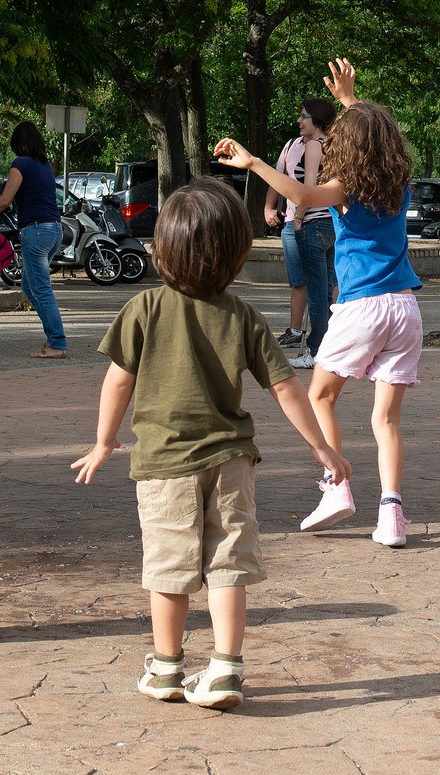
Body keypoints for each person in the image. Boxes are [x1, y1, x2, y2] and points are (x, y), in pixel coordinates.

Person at [70, 179, 347, 711]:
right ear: (237, 254)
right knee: (227, 564)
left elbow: (117, 381)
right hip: (232, 461)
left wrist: (104, 442)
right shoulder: (243, 315)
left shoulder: (144, 307)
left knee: (169, 568)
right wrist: (321, 447)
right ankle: (225, 669)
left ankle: (166, 668)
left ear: (161, 249)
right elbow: (286, 388)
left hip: (164, 463)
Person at [212, 57, 421, 549]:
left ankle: (336, 486)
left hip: (363, 308)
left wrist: (254, 163)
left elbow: (301, 194)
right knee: (386, 419)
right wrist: (350, 100)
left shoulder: (345, 189)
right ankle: (392, 515)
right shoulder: (398, 187)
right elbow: (376, 133)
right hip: (405, 310)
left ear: (346, 147)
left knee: (320, 397)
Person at [0, 122, 68, 358]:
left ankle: (57, 343)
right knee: (29, 286)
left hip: (36, 231)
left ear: (18, 143)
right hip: (54, 229)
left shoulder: (20, 164)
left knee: (40, 289)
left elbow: (5, 200)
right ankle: (53, 337)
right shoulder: (45, 166)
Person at [264, 98, 337, 366]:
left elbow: (307, 189)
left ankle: (315, 352)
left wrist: (298, 218)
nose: (299, 120)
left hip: (313, 223)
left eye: (304, 116)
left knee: (316, 294)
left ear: (316, 119)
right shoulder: (334, 145)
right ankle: (329, 348)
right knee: (327, 291)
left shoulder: (314, 146)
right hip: (331, 224)